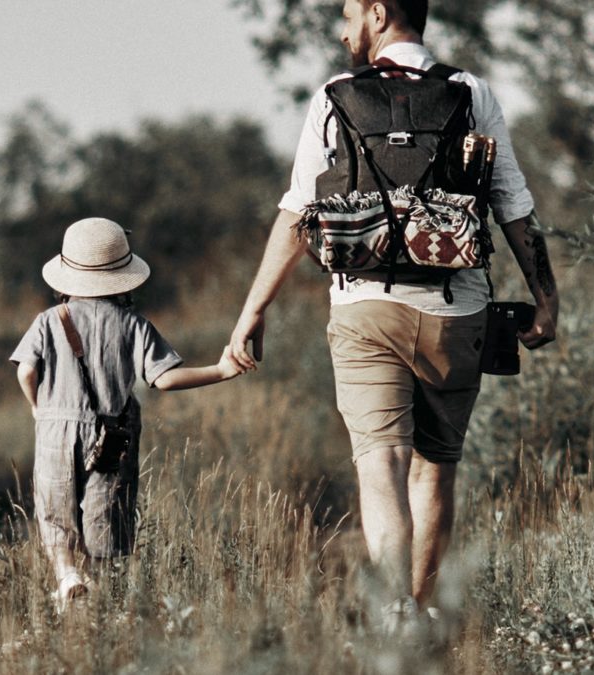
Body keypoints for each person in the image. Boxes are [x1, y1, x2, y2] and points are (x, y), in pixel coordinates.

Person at [227, 0, 559, 630]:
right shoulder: (469, 90)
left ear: (378, 14)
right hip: (456, 310)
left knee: (381, 464)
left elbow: (299, 213)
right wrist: (547, 296)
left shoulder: (335, 93)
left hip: (364, 307)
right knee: (435, 470)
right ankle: (426, 612)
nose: (343, 27)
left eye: (349, 12)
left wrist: (253, 311)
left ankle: (394, 616)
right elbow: (512, 201)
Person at [12, 217, 245, 608]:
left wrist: (39, 407)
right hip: (112, 433)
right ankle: (100, 587)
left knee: (54, 508)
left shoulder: (48, 321)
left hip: (54, 427)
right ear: (123, 274)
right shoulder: (133, 324)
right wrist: (221, 370)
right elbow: (165, 379)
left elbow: (26, 370)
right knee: (107, 508)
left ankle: (67, 575)